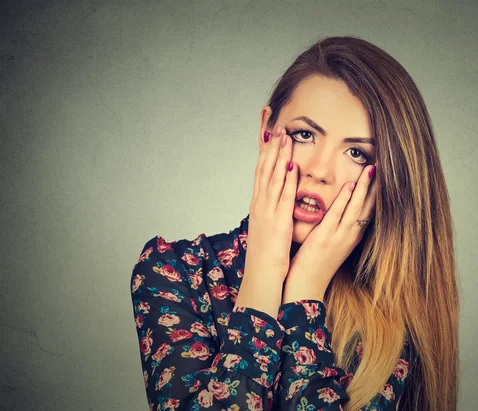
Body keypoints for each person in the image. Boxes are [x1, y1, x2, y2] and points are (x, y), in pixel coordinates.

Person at [130, 36, 459, 411]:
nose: (320, 171)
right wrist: (264, 273)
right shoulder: (173, 272)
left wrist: (305, 292)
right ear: (266, 131)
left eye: (356, 153)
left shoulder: (392, 318)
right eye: (305, 134)